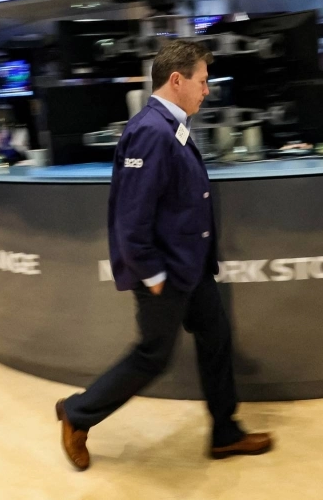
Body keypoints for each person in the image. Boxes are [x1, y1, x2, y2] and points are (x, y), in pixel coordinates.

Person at [55, 41, 273, 471]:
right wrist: (151, 273)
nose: (207, 90)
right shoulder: (150, 131)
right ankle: (77, 414)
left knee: (216, 338)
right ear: (177, 80)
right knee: (152, 356)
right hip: (165, 273)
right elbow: (131, 216)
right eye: (203, 81)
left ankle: (225, 433)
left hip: (190, 267)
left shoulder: (171, 125)